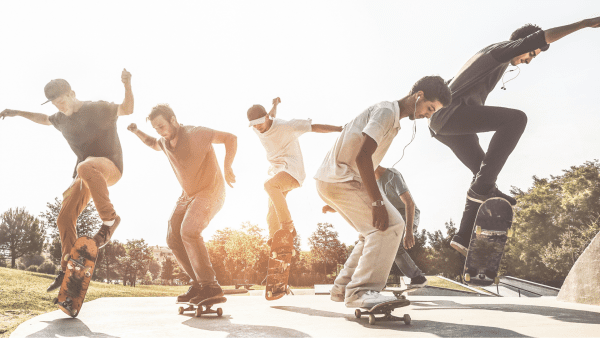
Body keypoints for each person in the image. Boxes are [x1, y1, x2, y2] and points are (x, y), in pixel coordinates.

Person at [427, 17, 600, 256]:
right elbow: (541, 37)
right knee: (516, 119)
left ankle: (463, 236)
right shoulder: (501, 51)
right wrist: (585, 23)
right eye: (532, 55)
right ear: (523, 44)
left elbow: (453, 82)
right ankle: (484, 189)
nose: (528, 61)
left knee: (483, 175)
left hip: (443, 125)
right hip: (451, 117)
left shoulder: (488, 57)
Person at [314, 76, 451, 308]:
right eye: (429, 108)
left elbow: (363, 157)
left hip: (334, 180)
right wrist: (376, 203)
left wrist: (339, 200)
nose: (428, 115)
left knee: (371, 231)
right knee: (391, 226)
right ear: (418, 96)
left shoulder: (390, 117)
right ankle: (360, 291)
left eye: (433, 112)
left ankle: (342, 287)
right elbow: (362, 157)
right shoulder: (387, 112)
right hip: (342, 179)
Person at [0, 69, 134, 292]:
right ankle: (69, 271)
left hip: (109, 168)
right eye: (55, 104)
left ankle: (110, 221)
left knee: (85, 165)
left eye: (61, 101)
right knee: (64, 218)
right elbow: (42, 119)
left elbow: (127, 109)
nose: (60, 107)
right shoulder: (60, 119)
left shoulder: (97, 108)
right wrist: (14, 112)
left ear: (72, 93)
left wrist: (127, 85)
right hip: (85, 175)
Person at [127, 104, 237, 304]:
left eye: (161, 126)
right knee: (173, 239)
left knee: (189, 231)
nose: (160, 131)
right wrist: (136, 132)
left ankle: (211, 286)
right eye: (156, 128)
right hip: (187, 195)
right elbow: (153, 143)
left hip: (211, 192)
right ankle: (199, 284)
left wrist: (227, 166)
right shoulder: (164, 141)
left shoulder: (196, 133)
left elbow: (230, 138)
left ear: (174, 120)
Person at [247, 97, 342, 246]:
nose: (257, 127)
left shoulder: (287, 126)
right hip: (278, 172)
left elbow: (314, 127)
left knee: (270, 186)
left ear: (265, 118)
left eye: (259, 123)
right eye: (253, 125)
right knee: (272, 207)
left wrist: (340, 129)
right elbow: (272, 113)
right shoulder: (262, 122)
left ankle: (288, 227)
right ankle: (276, 240)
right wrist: (275, 103)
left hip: (293, 171)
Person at [323, 165, 427, 299]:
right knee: (372, 241)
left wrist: (408, 231)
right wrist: (335, 206)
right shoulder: (371, 183)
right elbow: (361, 201)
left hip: (407, 215)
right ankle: (369, 280)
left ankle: (417, 277)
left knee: (395, 244)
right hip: (392, 218)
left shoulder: (392, 176)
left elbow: (409, 203)